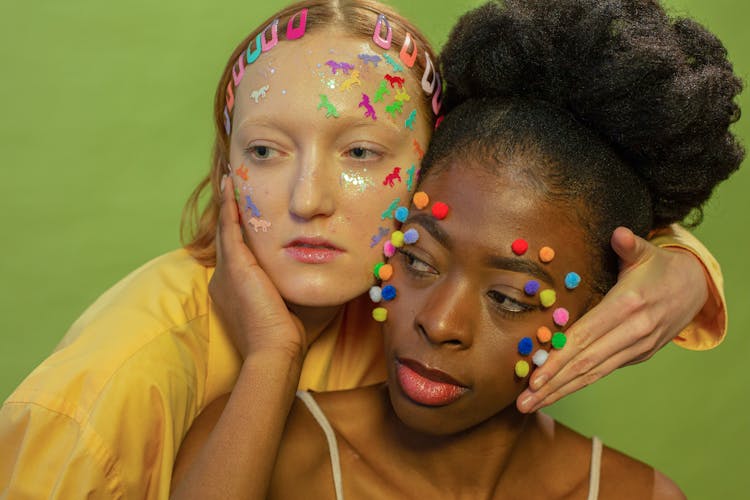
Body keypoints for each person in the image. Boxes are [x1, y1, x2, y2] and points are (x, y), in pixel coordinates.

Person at [0, 0, 732, 497]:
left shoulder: (383, 289)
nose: (310, 198)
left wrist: (686, 267)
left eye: (358, 151)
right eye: (263, 149)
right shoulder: (111, 385)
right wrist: (269, 359)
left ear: (426, 167)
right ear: (226, 170)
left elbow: (536, 201)